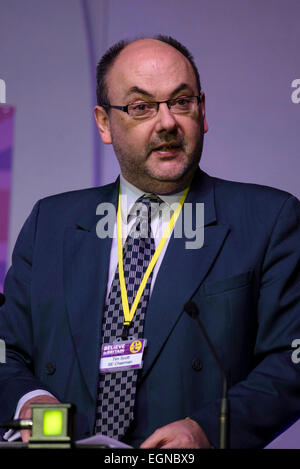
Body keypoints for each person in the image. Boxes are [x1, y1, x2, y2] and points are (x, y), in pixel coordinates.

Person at [0, 35, 300, 449]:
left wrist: (208, 430)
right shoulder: (50, 223)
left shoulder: (269, 219)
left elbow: (291, 359)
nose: (167, 123)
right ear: (104, 123)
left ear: (203, 111)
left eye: (181, 101)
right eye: (141, 107)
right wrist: (31, 402)